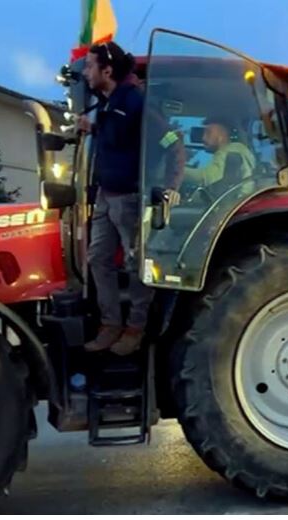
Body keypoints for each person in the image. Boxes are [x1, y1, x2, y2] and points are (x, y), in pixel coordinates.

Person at [79, 41, 180, 356]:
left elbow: (173, 144)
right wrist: (90, 130)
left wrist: (171, 186)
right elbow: (116, 139)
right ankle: (110, 324)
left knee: (138, 264)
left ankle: (135, 327)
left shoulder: (138, 104)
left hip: (131, 199)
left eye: (90, 66)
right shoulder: (106, 105)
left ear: (106, 71)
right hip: (106, 198)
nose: (85, 72)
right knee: (97, 258)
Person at [184, 116, 255, 193]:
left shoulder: (229, 151)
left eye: (208, 133)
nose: (203, 138)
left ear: (221, 137)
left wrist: (177, 172)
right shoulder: (240, 151)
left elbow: (206, 178)